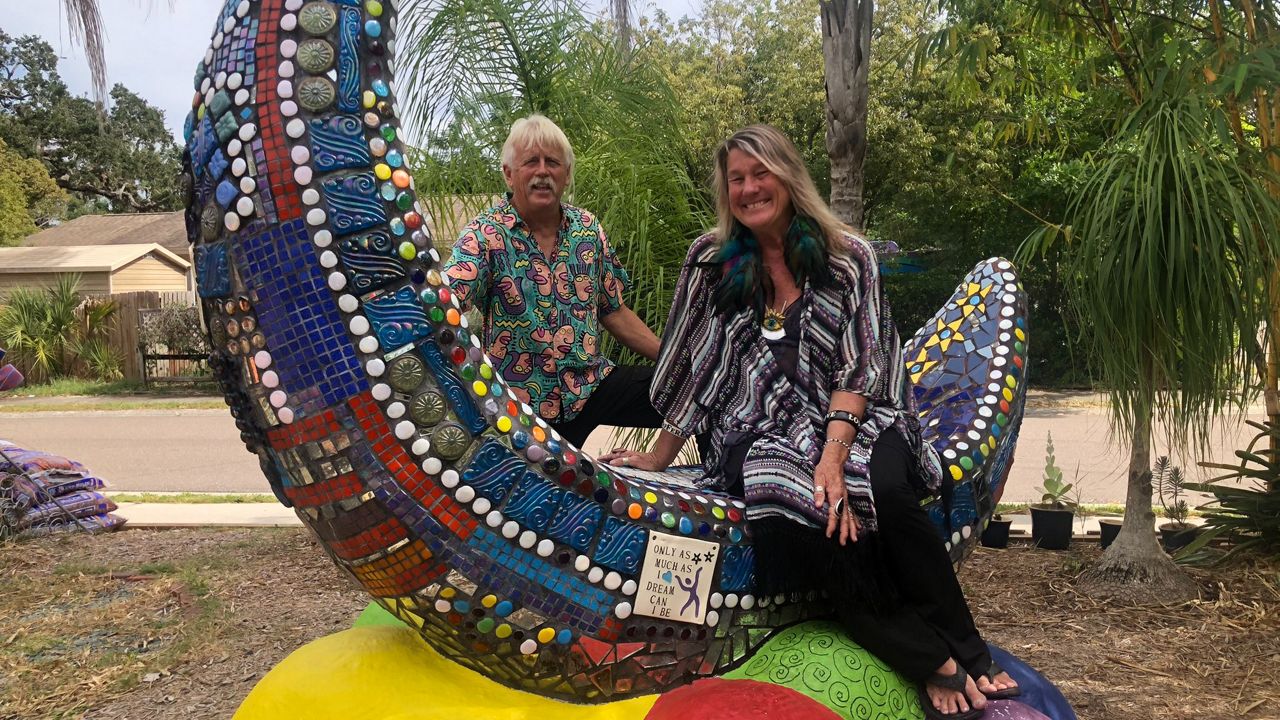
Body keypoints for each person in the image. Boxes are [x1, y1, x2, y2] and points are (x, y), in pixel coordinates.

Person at [600, 125, 1018, 720]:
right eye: (736, 179)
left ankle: (968, 648)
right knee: (803, 503)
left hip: (859, 413)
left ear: (788, 176)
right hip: (755, 427)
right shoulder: (712, 262)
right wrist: (660, 455)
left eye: (760, 173)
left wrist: (832, 456)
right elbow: (695, 364)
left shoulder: (847, 258)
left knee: (886, 490)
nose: (749, 189)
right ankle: (932, 660)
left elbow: (862, 363)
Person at [444, 114, 684, 460]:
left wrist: (674, 359)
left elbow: (614, 311)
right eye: (531, 161)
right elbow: (446, 305)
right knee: (526, 490)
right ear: (509, 174)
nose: (542, 172)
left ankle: (716, 479)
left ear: (567, 174)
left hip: (590, 386)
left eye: (553, 162)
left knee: (697, 390)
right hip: (520, 406)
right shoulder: (484, 235)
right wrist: (484, 385)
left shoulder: (587, 229)